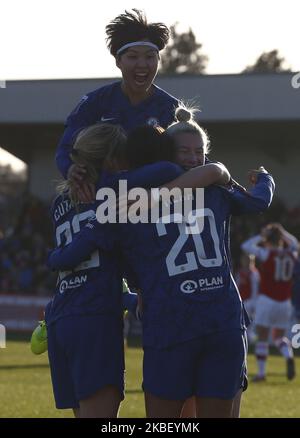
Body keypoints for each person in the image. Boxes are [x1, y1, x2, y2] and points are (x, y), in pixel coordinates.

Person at [48, 108, 275, 418]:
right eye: (187, 152)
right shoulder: (212, 189)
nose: (195, 158)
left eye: (200, 152)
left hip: (166, 321)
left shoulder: (120, 205)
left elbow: (120, 262)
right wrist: (258, 177)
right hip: (221, 317)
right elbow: (255, 200)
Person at [45, 124, 139, 418]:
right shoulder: (114, 201)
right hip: (94, 318)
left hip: (61, 317)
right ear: (110, 160)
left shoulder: (60, 203)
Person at [55, 9, 179, 201]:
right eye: (133, 56)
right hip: (99, 199)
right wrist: (72, 170)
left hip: (150, 204)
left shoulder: (170, 107)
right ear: (118, 61)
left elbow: (187, 156)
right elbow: (65, 148)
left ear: (159, 60)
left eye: (149, 56)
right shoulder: (95, 102)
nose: (142, 64)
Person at [241, 223, 298, 382]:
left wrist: (263, 235)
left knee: (263, 338)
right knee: (279, 337)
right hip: (285, 302)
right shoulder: (290, 253)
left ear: (267, 240)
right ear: (281, 240)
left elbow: (245, 246)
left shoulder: (266, 253)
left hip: (267, 300)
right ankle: (288, 355)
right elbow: (294, 243)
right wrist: (282, 231)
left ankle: (261, 373)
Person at [236, 253, 260, 344]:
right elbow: (237, 286)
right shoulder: (240, 272)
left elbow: (255, 289)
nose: (246, 262)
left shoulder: (254, 272)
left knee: (249, 322)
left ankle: (250, 339)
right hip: (242, 300)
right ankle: (247, 339)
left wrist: (253, 302)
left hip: (250, 301)